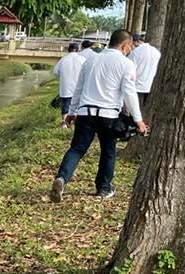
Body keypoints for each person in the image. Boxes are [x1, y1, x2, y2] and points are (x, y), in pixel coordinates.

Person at [49, 29, 148, 202]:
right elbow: (129, 93)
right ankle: (103, 188)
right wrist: (138, 119)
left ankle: (62, 178)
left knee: (77, 149)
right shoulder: (126, 64)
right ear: (124, 46)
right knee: (108, 152)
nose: (130, 50)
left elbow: (78, 89)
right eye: (130, 47)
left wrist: (71, 113)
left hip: (85, 112)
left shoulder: (90, 61)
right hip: (108, 116)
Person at [128, 32, 161, 108]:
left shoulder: (135, 52)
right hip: (150, 86)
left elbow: (129, 68)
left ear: (136, 41)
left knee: (134, 113)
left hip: (137, 87)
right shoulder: (156, 51)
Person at [53, 42, 85, 119]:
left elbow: (55, 72)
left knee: (66, 105)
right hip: (78, 87)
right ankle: (75, 121)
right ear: (78, 50)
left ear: (68, 50)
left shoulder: (63, 59)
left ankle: (64, 122)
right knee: (78, 105)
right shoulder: (82, 59)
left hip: (65, 87)